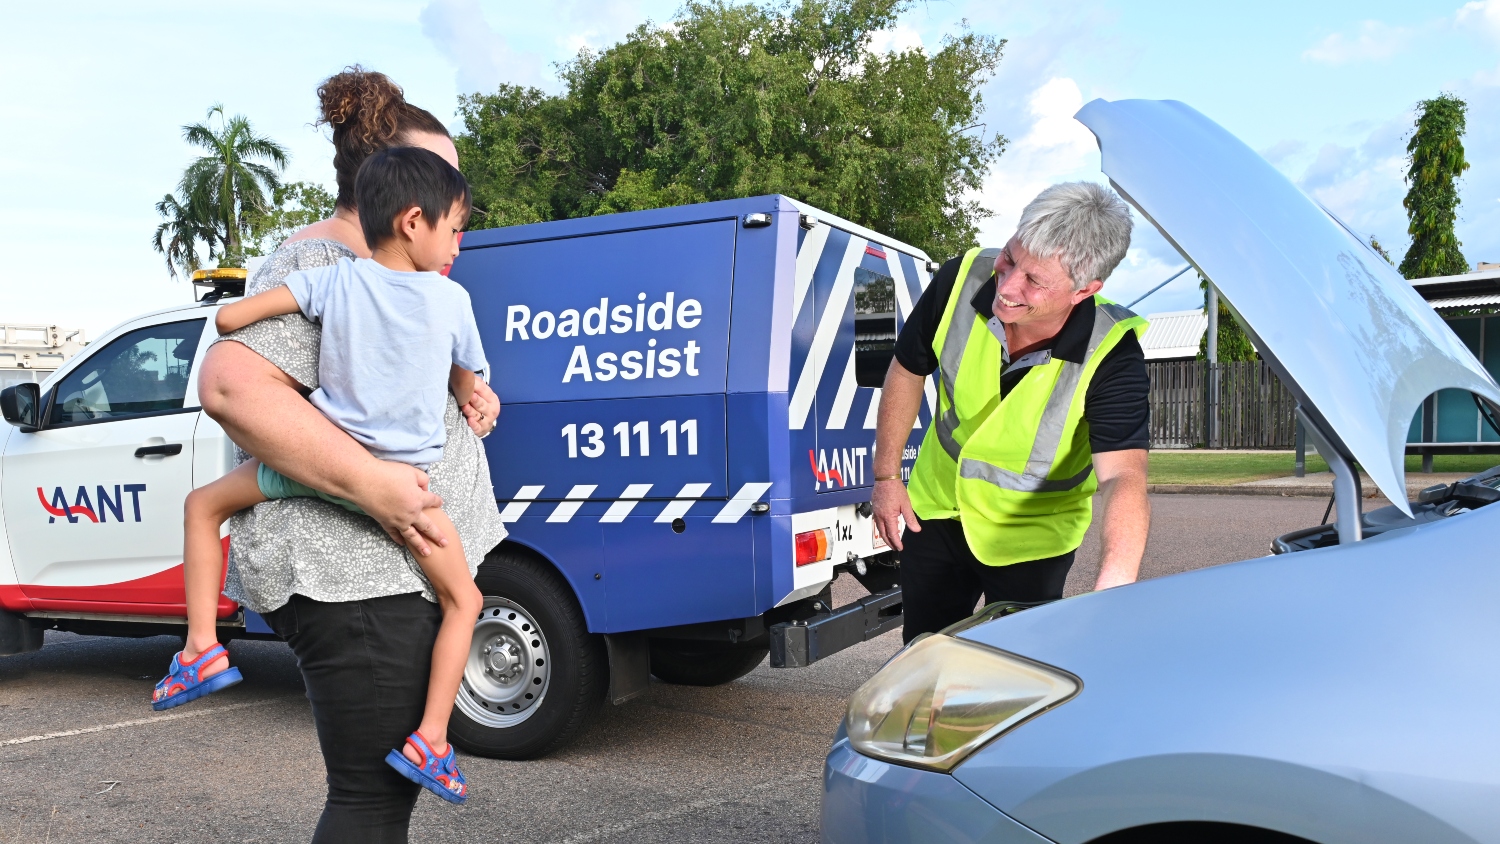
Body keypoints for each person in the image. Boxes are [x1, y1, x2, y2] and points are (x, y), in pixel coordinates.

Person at [195, 68, 506, 842]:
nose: (454, 204)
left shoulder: (392, 282)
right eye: (445, 185)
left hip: (384, 571)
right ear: (399, 201)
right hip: (355, 577)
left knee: (380, 797)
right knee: (370, 799)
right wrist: (375, 483)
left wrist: (469, 389)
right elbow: (231, 384)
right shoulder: (320, 268)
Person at [871, 182, 1152, 642]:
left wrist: (1113, 595)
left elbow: (1123, 477)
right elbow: (907, 367)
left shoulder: (1112, 352)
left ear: (1086, 289)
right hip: (937, 513)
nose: (1007, 286)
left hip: (1033, 537)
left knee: (1016, 670)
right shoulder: (962, 279)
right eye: (1011, 257)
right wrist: (886, 478)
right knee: (925, 655)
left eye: (1034, 280)